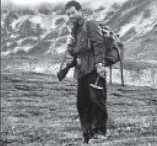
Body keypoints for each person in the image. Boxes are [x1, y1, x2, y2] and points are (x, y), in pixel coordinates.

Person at [64, 0, 108, 143]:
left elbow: (99, 44)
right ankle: (87, 134)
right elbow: (75, 52)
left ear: (80, 11)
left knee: (97, 100)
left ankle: (100, 133)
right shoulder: (74, 30)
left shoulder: (90, 24)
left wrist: (100, 65)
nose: (71, 16)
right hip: (81, 70)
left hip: (94, 68)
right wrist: (70, 46)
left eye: (73, 12)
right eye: (68, 14)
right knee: (82, 103)